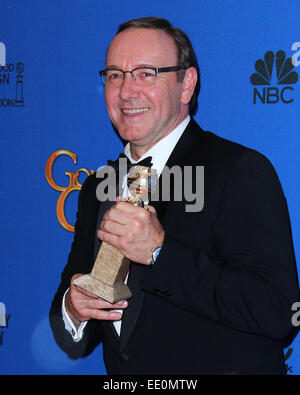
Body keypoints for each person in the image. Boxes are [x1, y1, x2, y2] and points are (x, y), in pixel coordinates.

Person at [50, 16, 299, 375]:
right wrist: (73, 310)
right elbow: (74, 330)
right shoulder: (97, 187)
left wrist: (159, 252)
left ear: (186, 85)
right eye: (115, 75)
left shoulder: (238, 170)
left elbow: (278, 311)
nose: (126, 91)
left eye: (146, 73)